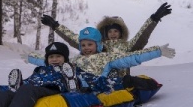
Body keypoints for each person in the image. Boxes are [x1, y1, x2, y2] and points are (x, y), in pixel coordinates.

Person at [28, 27, 175, 78]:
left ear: (98, 45)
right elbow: (50, 60)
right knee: (56, 69)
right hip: (77, 84)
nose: (86, 47)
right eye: (83, 45)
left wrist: (157, 51)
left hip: (97, 85)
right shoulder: (74, 60)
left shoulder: (107, 58)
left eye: (90, 44)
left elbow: (131, 58)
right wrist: (31, 58)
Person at [40, 2, 172, 53]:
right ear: (105, 33)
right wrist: (56, 26)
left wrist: (153, 19)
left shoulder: (127, 46)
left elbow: (141, 36)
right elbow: (75, 38)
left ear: (121, 33)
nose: (113, 34)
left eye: (116, 31)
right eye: (110, 31)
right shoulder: (98, 46)